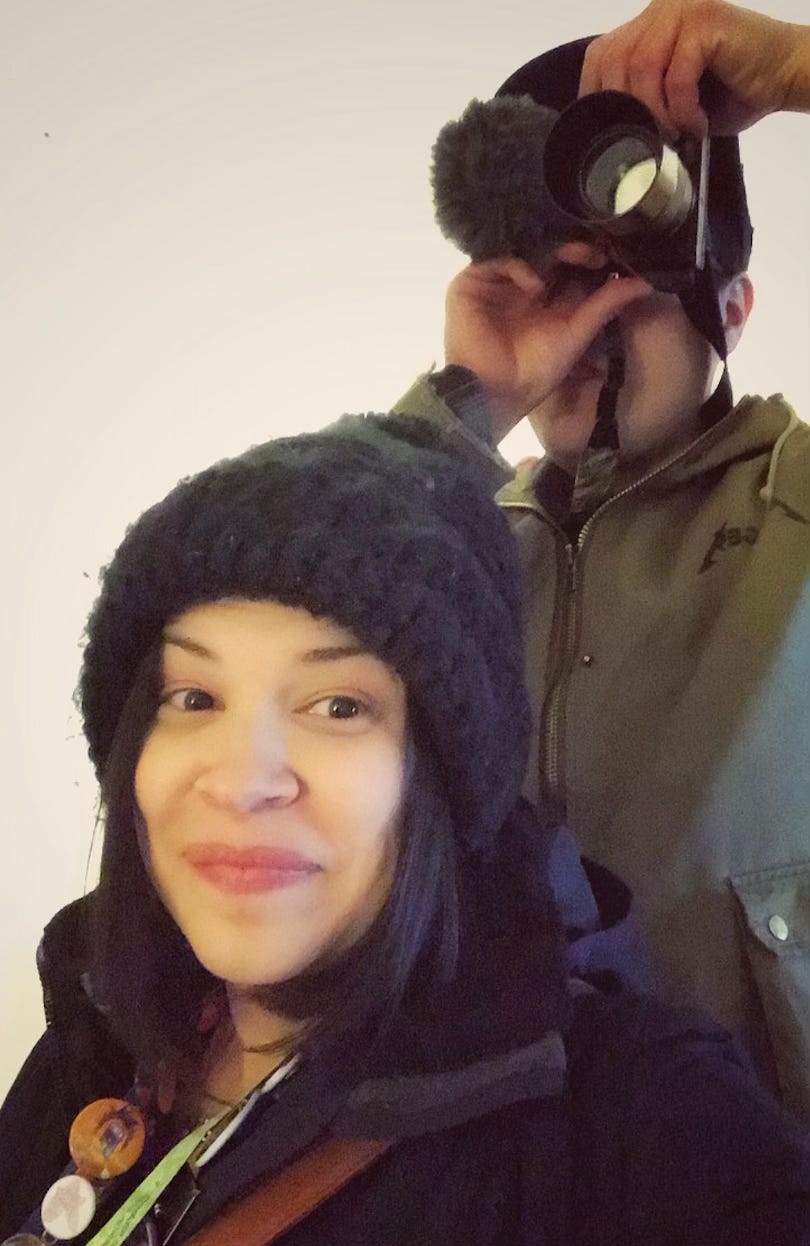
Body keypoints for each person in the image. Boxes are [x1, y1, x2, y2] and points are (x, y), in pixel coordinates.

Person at [1, 415, 808, 1244]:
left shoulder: (634, 1119)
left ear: (443, 775)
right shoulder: (97, 1037)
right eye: (194, 698)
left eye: (338, 706)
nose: (241, 780)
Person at [393, 0, 810, 1121]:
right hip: (510, 1174)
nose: (587, 322)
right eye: (551, 278)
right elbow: (261, 643)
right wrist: (462, 408)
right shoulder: (449, 544)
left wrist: (796, 65)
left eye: (630, 278)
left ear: (730, 306)